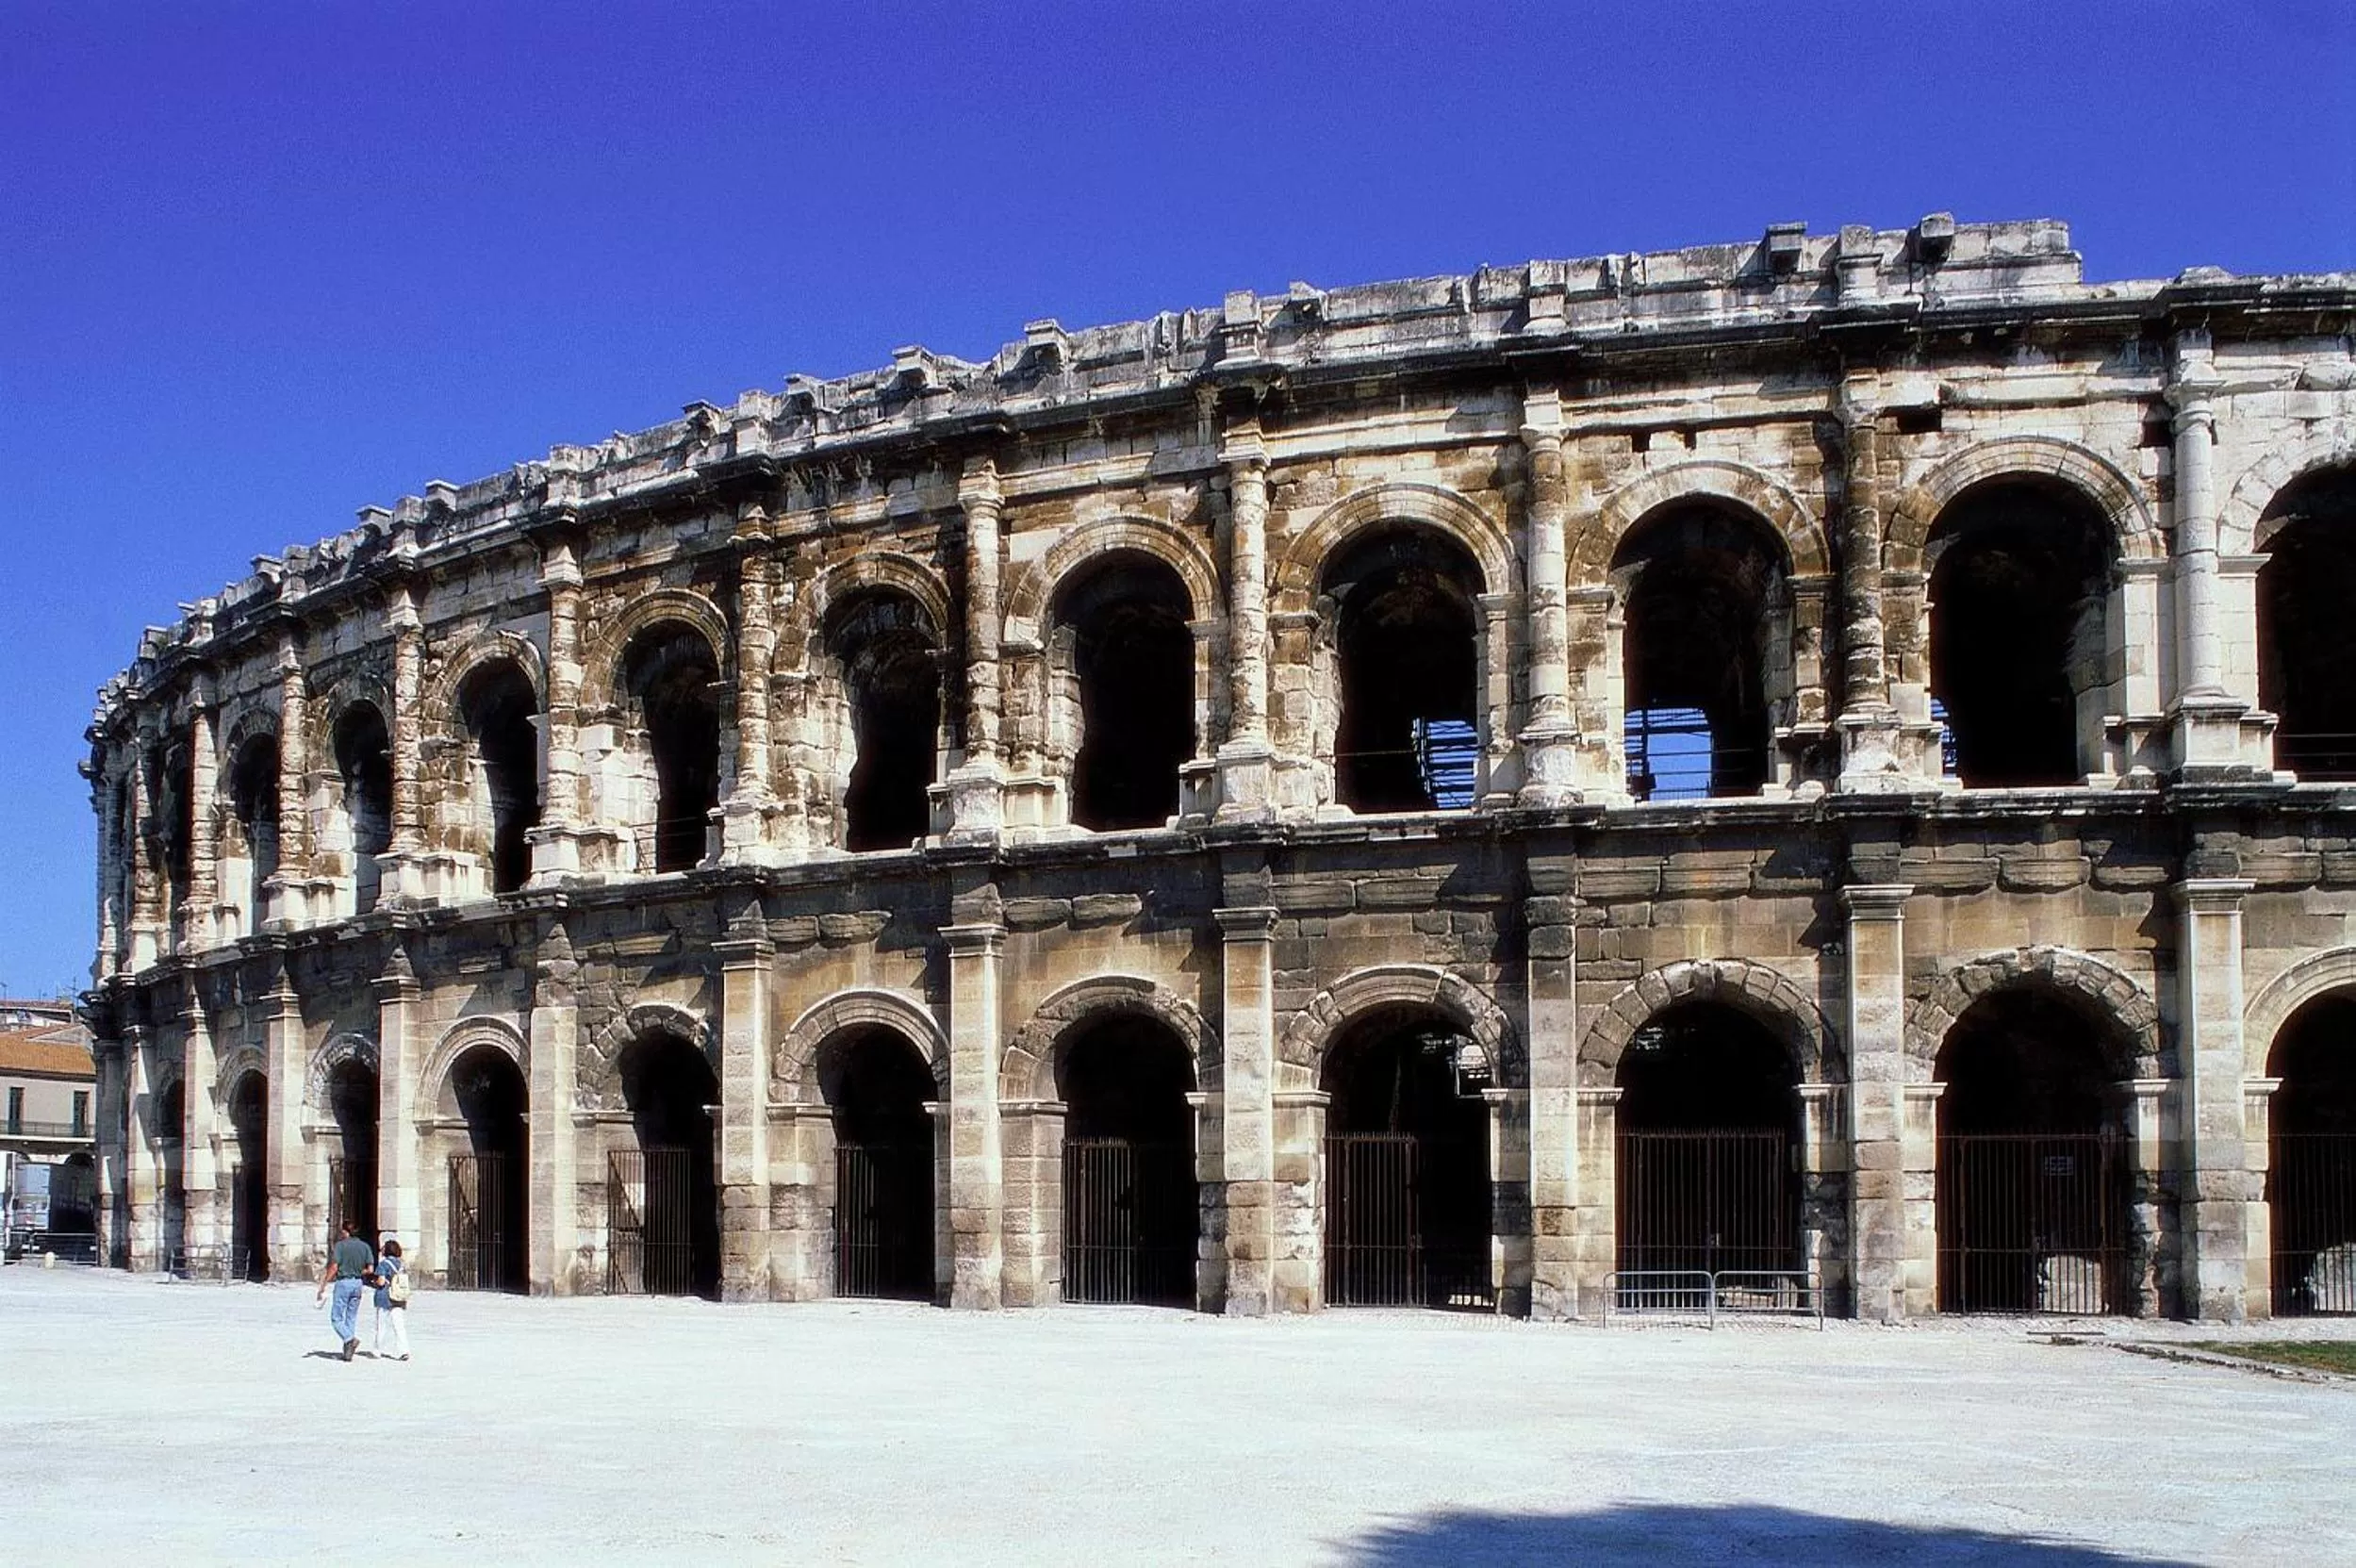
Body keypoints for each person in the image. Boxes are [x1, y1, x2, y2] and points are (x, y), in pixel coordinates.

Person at [314, 1218, 374, 1362]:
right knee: (351, 1317)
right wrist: (359, 1271)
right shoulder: (364, 1246)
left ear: (345, 1231)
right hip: (358, 1283)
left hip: (343, 1283)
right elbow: (370, 1269)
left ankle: (349, 1339)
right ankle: (348, 1351)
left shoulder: (341, 1246)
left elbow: (334, 1267)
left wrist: (324, 1283)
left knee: (336, 1318)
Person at [372, 1236, 411, 1361]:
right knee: (399, 1325)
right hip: (399, 1296)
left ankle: (378, 1349)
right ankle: (404, 1350)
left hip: (385, 1296)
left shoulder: (384, 1264)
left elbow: (381, 1281)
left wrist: (374, 1282)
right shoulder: (401, 1264)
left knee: (382, 1325)